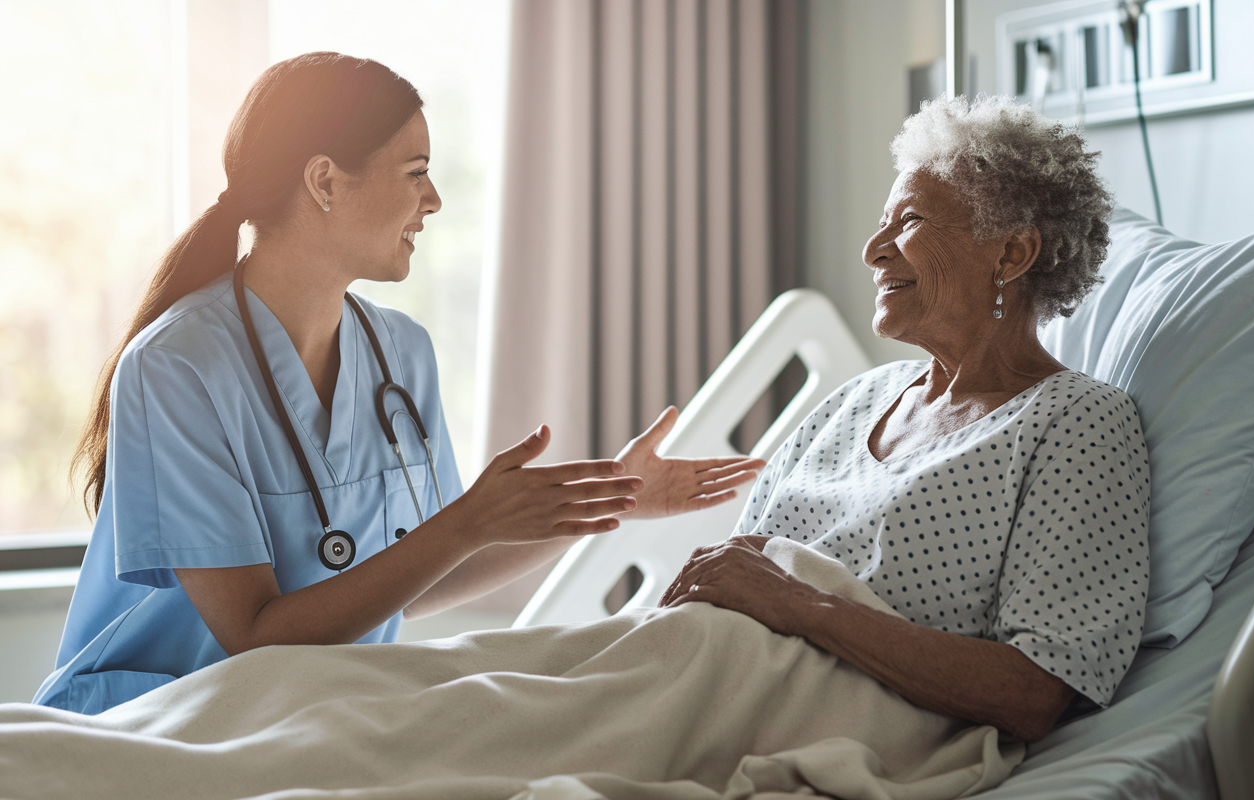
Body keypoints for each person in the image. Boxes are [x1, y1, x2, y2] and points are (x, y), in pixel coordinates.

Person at [36, 52, 762, 715]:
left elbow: (421, 577)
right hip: (151, 721)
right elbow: (255, 634)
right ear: (324, 180)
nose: (436, 198)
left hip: (302, 717)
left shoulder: (401, 353)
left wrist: (610, 496)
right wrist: (469, 520)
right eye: (416, 171)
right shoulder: (177, 367)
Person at [659, 95, 1150, 742]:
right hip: (696, 682)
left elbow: (1035, 687)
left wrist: (804, 607)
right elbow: (738, 582)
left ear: (1010, 256)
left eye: (909, 221)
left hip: (799, 724)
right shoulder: (853, 402)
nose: (872, 251)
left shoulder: (1076, 424)